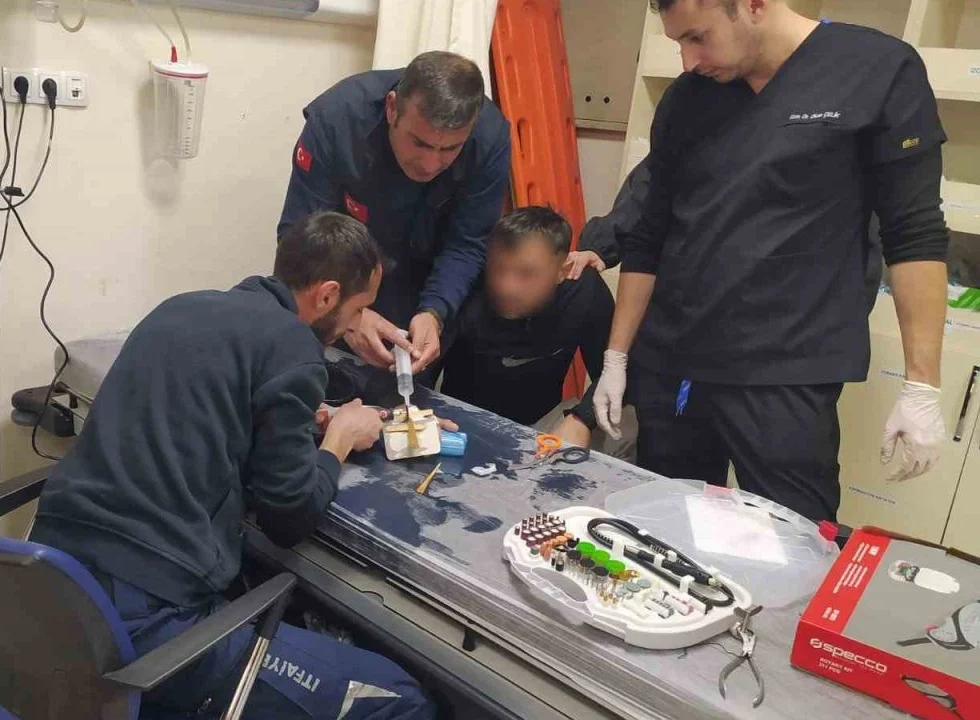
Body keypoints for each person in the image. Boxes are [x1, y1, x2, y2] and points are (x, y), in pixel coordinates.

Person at [30, 212, 435, 719]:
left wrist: (291, 421)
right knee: (399, 698)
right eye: (357, 310)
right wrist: (340, 440)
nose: (356, 326)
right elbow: (288, 516)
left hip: (46, 581)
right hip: (143, 620)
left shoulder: (181, 307)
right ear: (328, 295)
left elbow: (205, 410)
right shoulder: (294, 347)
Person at [592, 0, 950, 522]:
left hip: (787, 371)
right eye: (678, 43)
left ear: (754, 5)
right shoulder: (689, 97)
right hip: (678, 363)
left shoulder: (876, 70)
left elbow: (914, 234)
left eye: (698, 37)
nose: (689, 61)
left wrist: (922, 384)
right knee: (667, 530)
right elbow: (648, 236)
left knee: (795, 538)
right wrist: (617, 357)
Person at [279, 51, 600, 377]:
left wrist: (435, 312)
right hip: (339, 293)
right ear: (392, 108)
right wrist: (349, 316)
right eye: (419, 143)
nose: (430, 164)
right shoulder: (337, 119)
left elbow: (468, 240)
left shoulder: (489, 137)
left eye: (449, 149)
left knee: (408, 396)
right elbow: (300, 241)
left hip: (429, 284)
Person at [440, 207, 614, 448]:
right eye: (499, 270)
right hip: (460, 422)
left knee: (624, 421)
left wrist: (582, 419)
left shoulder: (583, 291)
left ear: (562, 271)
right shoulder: (467, 285)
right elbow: (422, 369)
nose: (508, 287)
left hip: (543, 425)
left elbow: (613, 370)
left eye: (526, 274)